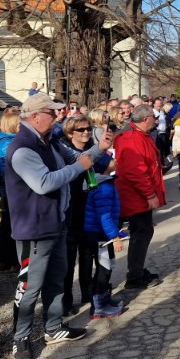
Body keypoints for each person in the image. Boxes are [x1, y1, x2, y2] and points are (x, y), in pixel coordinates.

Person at [7, 93, 112, 359]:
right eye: (52, 113)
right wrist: (79, 166)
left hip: (56, 223)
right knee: (29, 287)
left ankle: (53, 329)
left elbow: (78, 158)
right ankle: (20, 338)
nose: (57, 118)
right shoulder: (22, 148)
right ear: (35, 116)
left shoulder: (49, 140)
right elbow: (44, 183)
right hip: (34, 230)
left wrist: (100, 148)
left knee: (56, 280)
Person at [59, 115, 115, 317]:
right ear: (69, 132)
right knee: (67, 259)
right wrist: (99, 152)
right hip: (70, 209)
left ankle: (87, 293)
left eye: (88, 129)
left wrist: (106, 154)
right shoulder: (63, 149)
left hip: (89, 208)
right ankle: (65, 302)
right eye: (81, 129)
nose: (86, 132)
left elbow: (111, 165)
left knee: (87, 254)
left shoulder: (93, 144)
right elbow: (79, 163)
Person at [114, 104, 166, 290]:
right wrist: (150, 194)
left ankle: (136, 271)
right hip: (135, 195)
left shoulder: (140, 135)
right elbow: (135, 171)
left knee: (142, 232)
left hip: (138, 194)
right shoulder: (131, 138)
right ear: (145, 119)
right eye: (153, 116)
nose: (156, 119)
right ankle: (134, 276)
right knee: (141, 232)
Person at [83, 171, 126, 319]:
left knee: (107, 267)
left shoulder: (103, 184)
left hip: (101, 234)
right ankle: (99, 306)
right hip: (100, 236)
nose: (115, 159)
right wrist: (115, 237)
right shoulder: (103, 188)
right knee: (104, 269)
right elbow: (104, 216)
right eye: (110, 159)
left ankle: (104, 299)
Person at [0, 110, 20, 271]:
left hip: (2, 186)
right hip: (11, 186)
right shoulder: (9, 143)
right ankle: (13, 260)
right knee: (13, 223)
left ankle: (3, 259)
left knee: (7, 222)